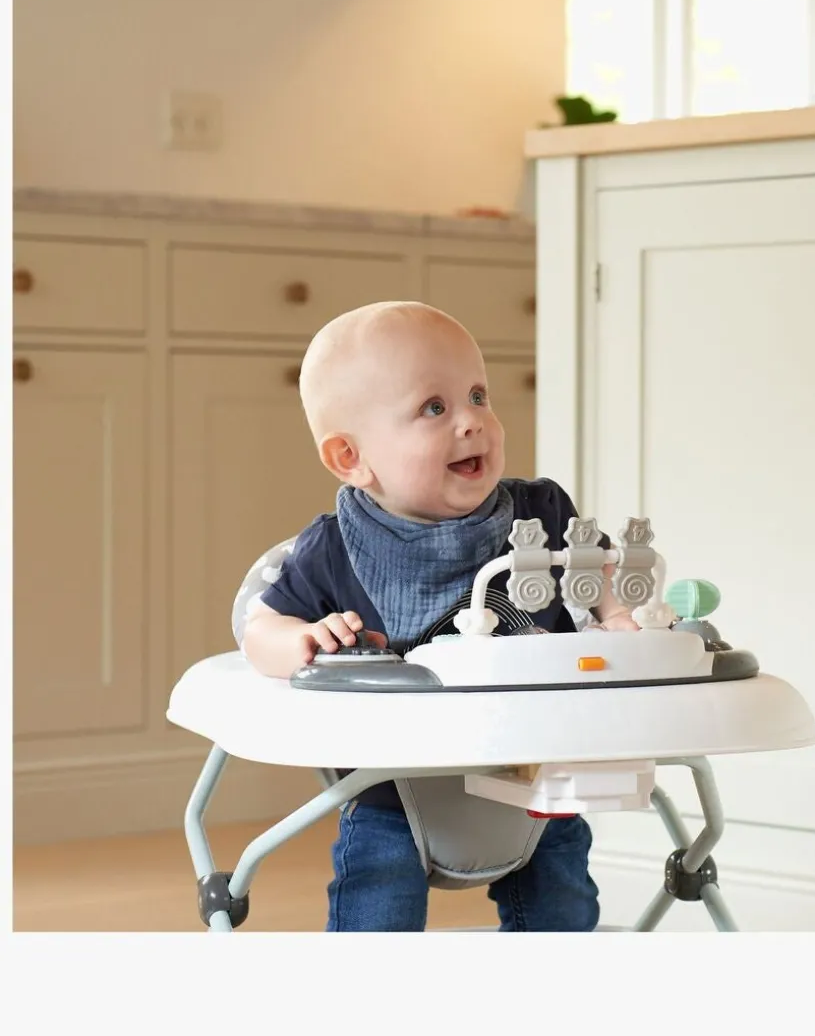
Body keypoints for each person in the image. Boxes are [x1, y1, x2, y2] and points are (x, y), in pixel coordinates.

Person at [242, 299, 638, 931]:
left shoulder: (541, 513)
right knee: (379, 904)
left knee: (562, 905)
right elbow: (259, 630)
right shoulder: (332, 549)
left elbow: (595, 571)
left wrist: (616, 617)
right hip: (392, 787)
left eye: (478, 396)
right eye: (434, 408)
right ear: (350, 458)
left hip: (535, 768)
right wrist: (305, 640)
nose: (471, 421)